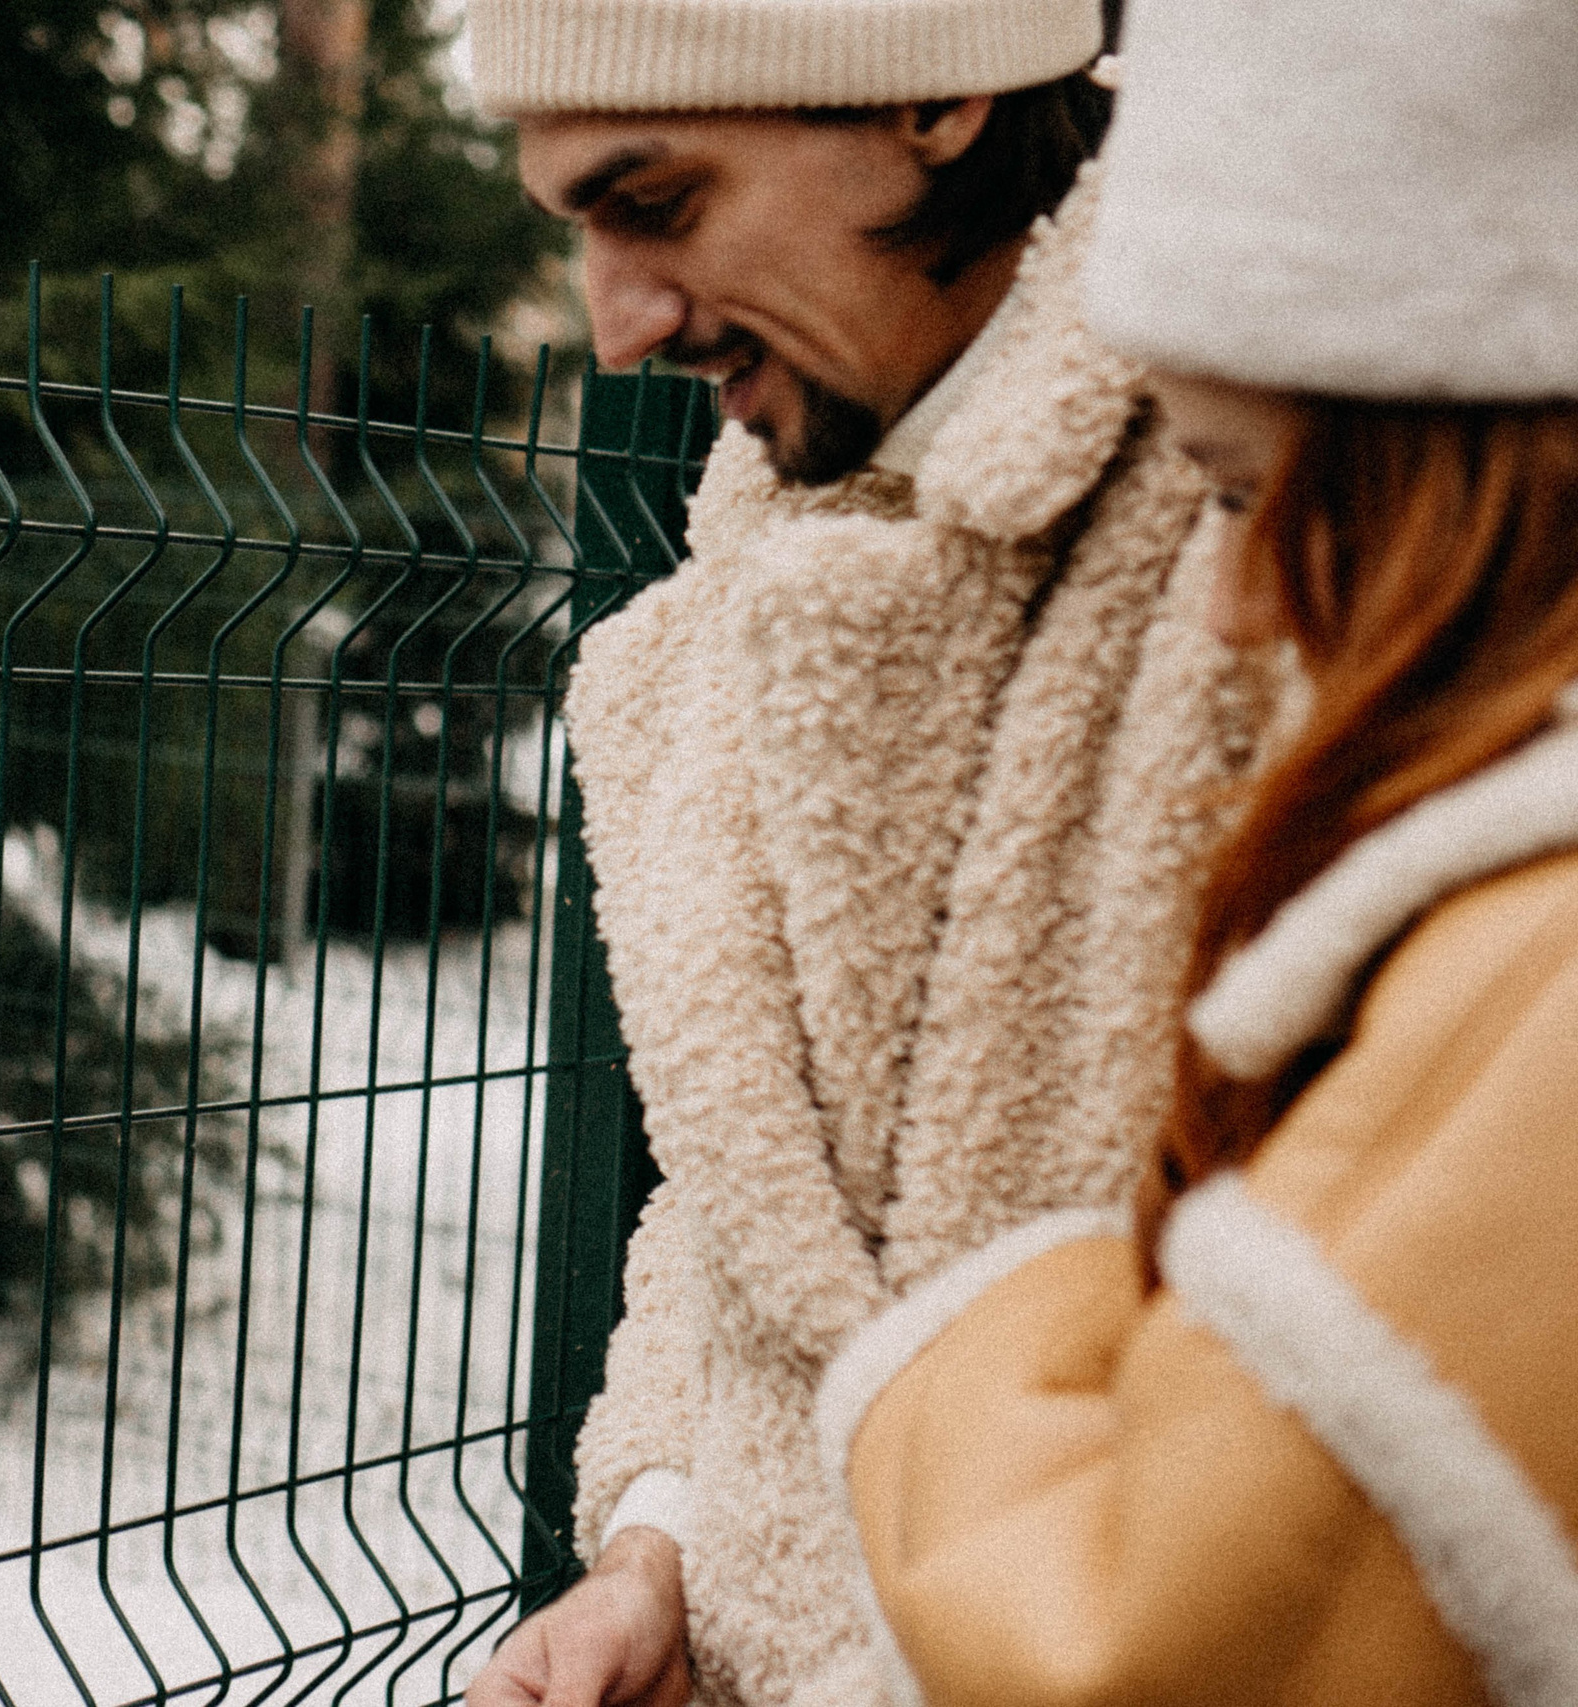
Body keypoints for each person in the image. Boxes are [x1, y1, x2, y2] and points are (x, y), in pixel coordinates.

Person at [459, 0, 1272, 1701]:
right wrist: (663, 1543)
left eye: (659, 203)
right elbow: (755, 1193)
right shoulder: (742, 598)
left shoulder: (1291, 534)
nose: (615, 328)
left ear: (936, 90)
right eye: (578, 230)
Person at [816, 0, 1578, 1702]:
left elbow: (1155, 1648)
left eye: (1239, 493)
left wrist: (991, 1338)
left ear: (1465, 474)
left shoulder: (1540, 983)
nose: (1230, 613)